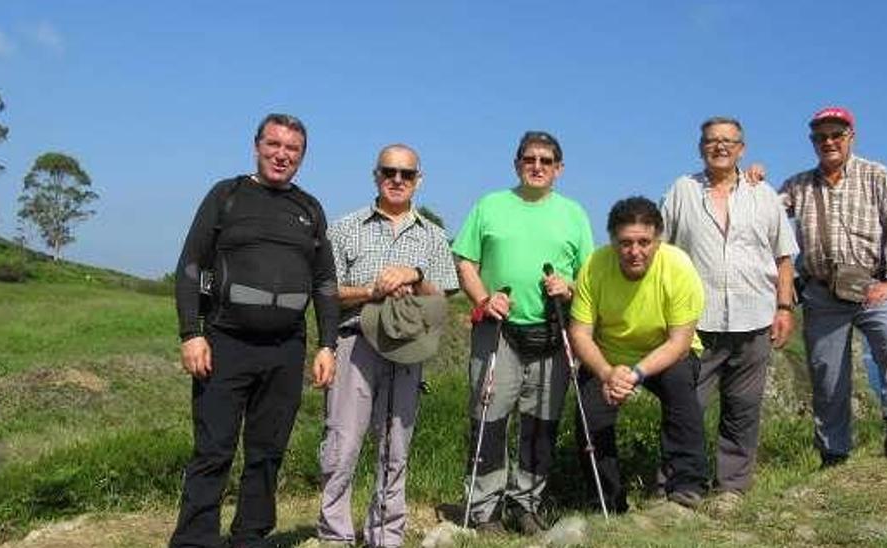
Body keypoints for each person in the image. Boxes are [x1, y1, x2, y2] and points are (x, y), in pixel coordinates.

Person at [170, 113, 339, 548]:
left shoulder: (310, 208)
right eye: (274, 145)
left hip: (286, 349)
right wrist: (192, 332)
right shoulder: (227, 195)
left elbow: (325, 283)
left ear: (302, 156)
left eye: (292, 149)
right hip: (226, 342)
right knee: (214, 450)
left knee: (267, 453)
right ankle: (194, 540)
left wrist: (327, 345)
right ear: (257, 145)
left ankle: (250, 536)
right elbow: (190, 266)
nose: (282, 155)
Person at [452, 130, 595, 534]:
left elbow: (588, 273)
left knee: (540, 424)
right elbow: (465, 261)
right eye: (529, 159)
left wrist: (568, 286)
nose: (537, 167)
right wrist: (484, 299)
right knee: (489, 420)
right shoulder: (490, 205)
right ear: (517, 164)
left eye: (545, 161)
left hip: (552, 332)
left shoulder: (574, 213)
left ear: (559, 169)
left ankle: (527, 504)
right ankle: (484, 509)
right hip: (497, 332)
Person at [316, 144, 459, 548]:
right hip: (355, 344)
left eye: (406, 174)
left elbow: (444, 293)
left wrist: (415, 275)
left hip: (408, 350)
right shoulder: (345, 228)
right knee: (342, 444)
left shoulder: (433, 237)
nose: (397, 180)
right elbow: (325, 291)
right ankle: (334, 536)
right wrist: (371, 290)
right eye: (389, 172)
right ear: (375, 175)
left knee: (395, 446)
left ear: (419, 180)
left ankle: (386, 536)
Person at [659, 116, 798, 498]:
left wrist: (784, 308)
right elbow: (661, 252)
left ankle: (731, 490)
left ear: (742, 147)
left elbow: (784, 257)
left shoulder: (763, 194)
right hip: (694, 323)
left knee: (743, 410)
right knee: (685, 409)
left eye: (728, 140)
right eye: (712, 140)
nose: (720, 146)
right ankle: (679, 487)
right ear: (700, 146)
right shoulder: (681, 191)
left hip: (753, 318)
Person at [779, 106, 887, 468]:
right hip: (821, 291)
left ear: (850, 137)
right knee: (828, 375)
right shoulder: (798, 185)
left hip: (870, 285)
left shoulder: (877, 176)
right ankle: (833, 452)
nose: (828, 142)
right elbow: (766, 214)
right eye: (821, 137)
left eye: (836, 135)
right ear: (813, 142)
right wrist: (748, 179)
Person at [568, 196, 708, 512]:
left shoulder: (678, 267)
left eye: (644, 242)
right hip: (609, 356)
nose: (635, 251)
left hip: (665, 353)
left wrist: (636, 373)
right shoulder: (594, 266)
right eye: (626, 243)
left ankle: (686, 485)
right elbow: (579, 333)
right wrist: (606, 373)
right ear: (613, 241)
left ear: (658, 240)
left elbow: (680, 341)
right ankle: (606, 498)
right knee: (589, 411)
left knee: (680, 389)